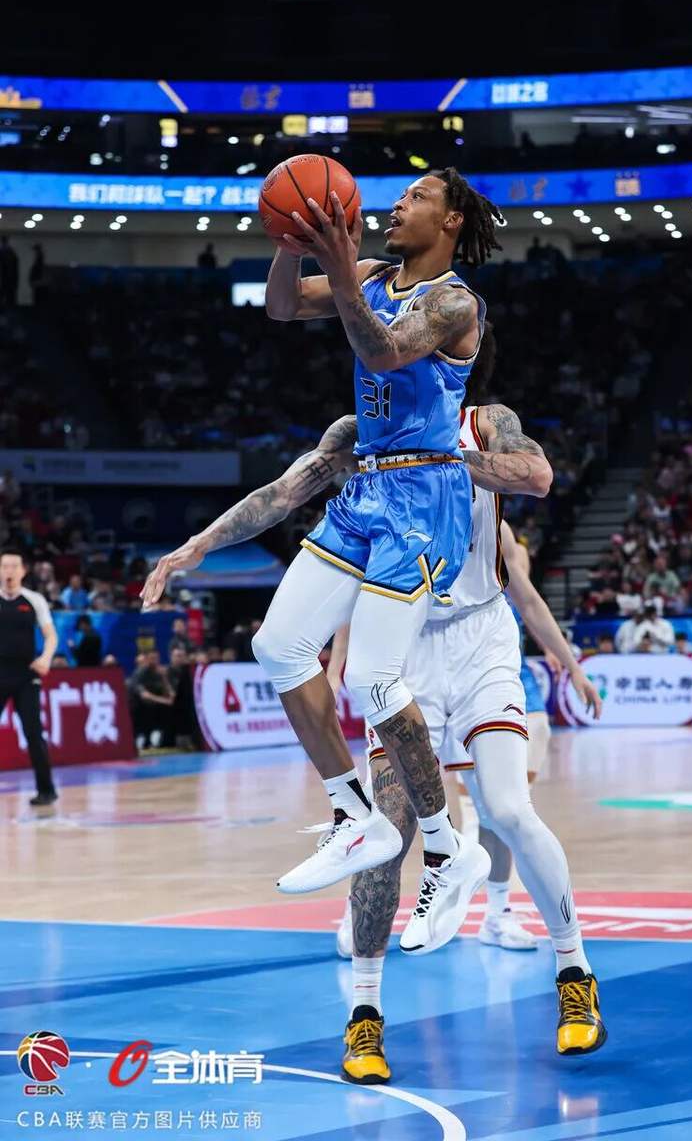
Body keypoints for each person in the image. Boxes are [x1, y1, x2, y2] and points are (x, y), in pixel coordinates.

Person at [144, 170, 518, 953]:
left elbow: (384, 350)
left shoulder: (456, 304)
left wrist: (342, 268)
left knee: (371, 678)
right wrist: (290, 245)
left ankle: (445, 848)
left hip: (425, 493)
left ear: (452, 220)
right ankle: (353, 812)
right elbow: (283, 306)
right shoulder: (374, 274)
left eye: (417, 196)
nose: (397, 204)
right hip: (368, 486)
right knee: (277, 645)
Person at [329, 394, 604, 1080]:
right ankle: (364, 1015)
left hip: (481, 638)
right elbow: (350, 558)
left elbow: (537, 476)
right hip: (402, 644)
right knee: (389, 830)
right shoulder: (366, 433)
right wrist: (336, 656)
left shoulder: (486, 422)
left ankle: (575, 973)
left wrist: (437, 458)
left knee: (507, 807)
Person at [0, 549, 58, 805]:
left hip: (26, 675)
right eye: (4, 566)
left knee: (34, 733)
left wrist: (46, 658)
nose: (9, 571)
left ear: (23, 571)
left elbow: (51, 635)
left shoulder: (34, 600)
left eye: (14, 566)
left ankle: (46, 791)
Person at [0, 237, 19, 307]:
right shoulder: (11, 253)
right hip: (9, 280)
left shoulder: (8, 252)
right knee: (9, 299)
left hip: (6, 280)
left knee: (7, 298)